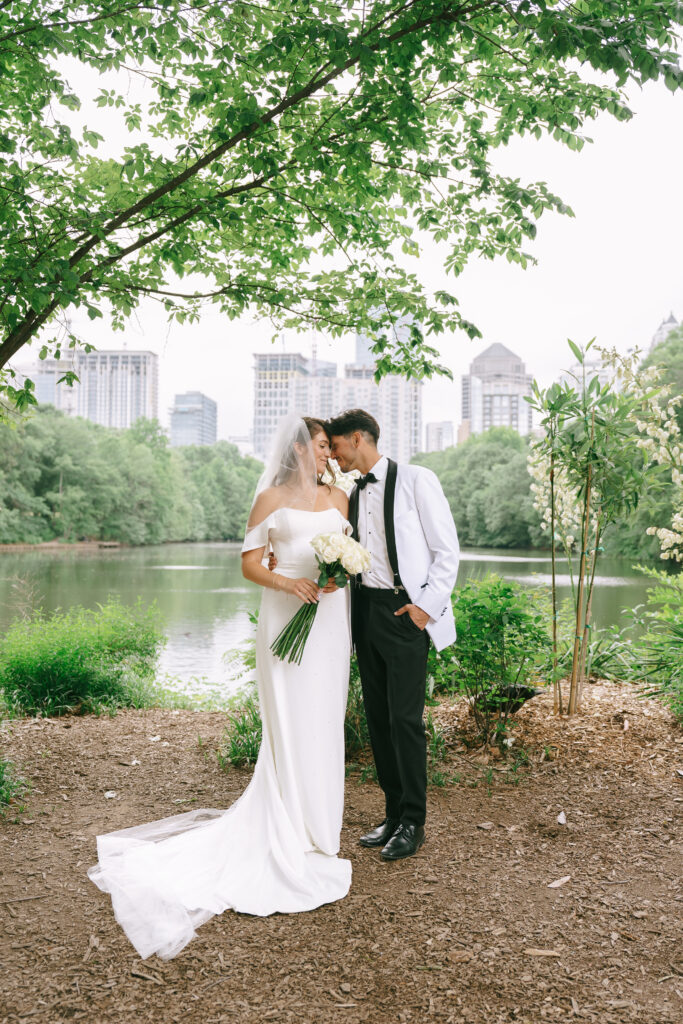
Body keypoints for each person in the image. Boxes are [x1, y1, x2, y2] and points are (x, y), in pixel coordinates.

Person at [88, 415, 353, 960]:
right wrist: (291, 581)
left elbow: (345, 557)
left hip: (330, 620)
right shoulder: (270, 497)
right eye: (322, 445)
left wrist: (330, 579)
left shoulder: (338, 498)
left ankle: (320, 830)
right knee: (290, 719)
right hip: (286, 614)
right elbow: (250, 564)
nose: (328, 453)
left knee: (325, 719)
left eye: (330, 446)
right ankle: (286, 827)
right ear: (300, 448)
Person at [326, 408, 459, 861]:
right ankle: (392, 812)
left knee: (405, 720)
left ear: (358, 438)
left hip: (405, 612)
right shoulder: (349, 491)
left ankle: (414, 822)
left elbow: (447, 552)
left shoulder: (418, 480)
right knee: (379, 718)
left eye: (338, 446)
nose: (335, 455)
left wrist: (424, 609)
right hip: (364, 611)